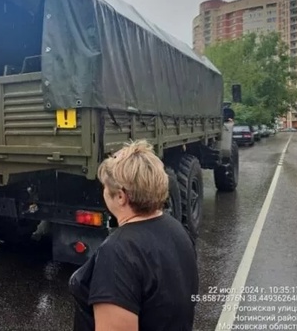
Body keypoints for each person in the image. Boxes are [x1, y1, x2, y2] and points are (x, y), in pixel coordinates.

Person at [69, 140, 199, 331]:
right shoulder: (177, 230)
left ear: (121, 196)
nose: (103, 191)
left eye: (105, 186)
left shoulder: (118, 252)